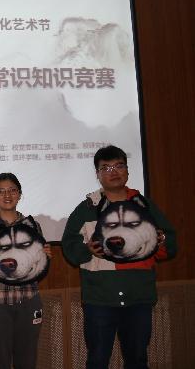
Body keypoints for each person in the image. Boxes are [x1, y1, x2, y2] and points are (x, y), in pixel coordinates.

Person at [61, 145, 176, 369]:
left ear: (127, 170)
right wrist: (87, 250)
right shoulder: (86, 209)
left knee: (137, 360)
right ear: (97, 174)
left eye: (119, 165)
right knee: (97, 361)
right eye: (106, 168)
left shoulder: (144, 206)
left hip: (138, 296)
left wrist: (160, 239)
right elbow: (70, 246)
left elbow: (170, 244)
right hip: (100, 298)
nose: (113, 172)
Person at [0, 172, 51, 369]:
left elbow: (38, 267)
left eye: (12, 190)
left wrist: (44, 258)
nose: (7, 195)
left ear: (19, 194)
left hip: (28, 300)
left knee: (27, 361)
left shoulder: (32, 226)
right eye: (1, 191)